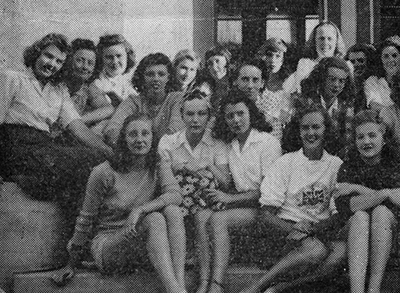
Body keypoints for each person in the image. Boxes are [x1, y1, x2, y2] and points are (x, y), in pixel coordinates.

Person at [49, 115, 187, 293]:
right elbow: (85, 220)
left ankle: (179, 287)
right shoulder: (104, 172)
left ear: (153, 138)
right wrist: (71, 264)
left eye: (145, 134)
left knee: (173, 211)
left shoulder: (158, 163)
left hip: (141, 241)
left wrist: (140, 209)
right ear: (124, 139)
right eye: (132, 134)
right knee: (155, 219)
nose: (139, 140)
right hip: (109, 246)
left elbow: (175, 195)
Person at [0, 34, 112, 215]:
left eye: (59, 61)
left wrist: (108, 152)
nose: (52, 64)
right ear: (36, 54)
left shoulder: (58, 90)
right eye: (48, 56)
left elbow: (77, 127)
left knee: (96, 160)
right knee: (81, 164)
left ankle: (78, 229)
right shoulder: (11, 78)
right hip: (13, 145)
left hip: (43, 146)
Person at [239, 106, 346, 293]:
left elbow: (337, 214)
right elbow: (266, 214)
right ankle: (256, 287)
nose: (311, 133)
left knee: (341, 252)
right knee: (316, 251)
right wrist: (293, 229)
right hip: (286, 231)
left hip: (319, 230)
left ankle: (280, 289)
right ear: (298, 131)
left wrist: (313, 229)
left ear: (326, 130)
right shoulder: (286, 162)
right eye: (305, 128)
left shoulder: (336, 165)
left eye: (316, 127)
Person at [206, 90, 281, 293]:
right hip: (243, 204)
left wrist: (230, 199)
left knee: (218, 220)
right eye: (230, 116)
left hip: (267, 208)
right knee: (209, 216)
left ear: (251, 114)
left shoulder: (267, 142)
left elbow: (267, 191)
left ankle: (217, 284)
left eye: (241, 113)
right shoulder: (229, 145)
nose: (236, 120)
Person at [158, 90, 230, 293]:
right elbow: (164, 179)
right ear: (181, 115)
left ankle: (204, 282)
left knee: (202, 216)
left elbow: (225, 182)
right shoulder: (169, 142)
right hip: (178, 199)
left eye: (201, 114)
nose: (195, 120)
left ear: (209, 116)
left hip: (204, 202)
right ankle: (179, 283)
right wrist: (183, 168)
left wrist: (207, 166)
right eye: (189, 114)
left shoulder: (216, 142)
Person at [336, 109, 400, 293]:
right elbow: (350, 206)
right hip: (355, 228)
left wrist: (357, 189)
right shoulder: (348, 165)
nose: (366, 141)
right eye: (360, 137)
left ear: (383, 138)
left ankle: (374, 289)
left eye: (372, 135)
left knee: (380, 212)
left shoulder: (396, 162)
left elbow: (399, 203)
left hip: (387, 225)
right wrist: (385, 193)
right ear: (354, 141)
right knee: (361, 217)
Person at [103, 53, 184, 144]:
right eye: (150, 74)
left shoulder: (177, 99)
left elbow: (175, 131)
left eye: (161, 74)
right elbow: (112, 130)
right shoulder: (134, 101)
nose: (156, 79)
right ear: (142, 77)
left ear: (169, 78)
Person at [296, 57, 356, 156]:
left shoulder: (346, 107)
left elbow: (347, 142)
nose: (336, 85)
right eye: (332, 79)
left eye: (341, 81)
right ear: (322, 78)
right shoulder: (305, 102)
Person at [285, 21, 348, 94]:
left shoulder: (346, 65)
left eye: (330, 38)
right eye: (321, 38)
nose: (325, 43)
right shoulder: (305, 65)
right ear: (314, 41)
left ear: (336, 41)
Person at [255, 38, 294, 140]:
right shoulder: (257, 79)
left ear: (283, 59)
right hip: (255, 131)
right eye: (269, 55)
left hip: (277, 133)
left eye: (278, 56)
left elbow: (287, 113)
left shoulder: (289, 82)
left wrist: (271, 117)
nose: (273, 60)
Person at [91, 34, 137, 108]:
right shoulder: (98, 84)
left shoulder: (127, 83)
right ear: (101, 59)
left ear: (127, 57)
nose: (115, 61)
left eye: (119, 56)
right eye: (109, 57)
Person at [364, 36, 400, 110]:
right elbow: (374, 105)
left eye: (394, 56)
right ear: (381, 60)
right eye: (386, 56)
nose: (390, 60)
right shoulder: (373, 81)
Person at [345, 42, 377, 110]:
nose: (356, 64)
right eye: (352, 62)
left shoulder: (375, 83)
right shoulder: (345, 87)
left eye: (361, 60)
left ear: (368, 62)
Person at [204, 45, 233, 110]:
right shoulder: (204, 86)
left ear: (226, 62)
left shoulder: (234, 83)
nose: (214, 67)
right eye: (210, 63)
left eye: (217, 61)